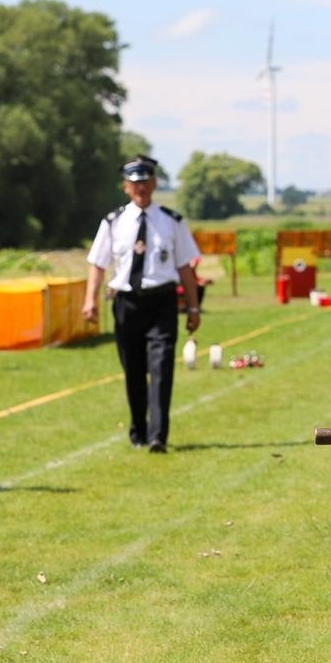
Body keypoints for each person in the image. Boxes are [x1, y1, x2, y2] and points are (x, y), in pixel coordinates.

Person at [82, 155, 201, 453]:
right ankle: (139, 430)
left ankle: (158, 435)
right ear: (126, 187)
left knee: (161, 369)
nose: (141, 188)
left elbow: (186, 267)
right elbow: (98, 263)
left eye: (146, 182)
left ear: (155, 183)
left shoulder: (172, 222)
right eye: (135, 183)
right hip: (126, 303)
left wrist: (194, 306)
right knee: (133, 370)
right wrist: (90, 300)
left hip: (161, 301)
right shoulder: (113, 222)